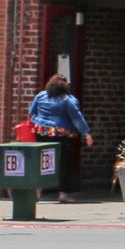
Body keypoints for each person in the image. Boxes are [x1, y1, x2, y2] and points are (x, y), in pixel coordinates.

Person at [28, 75, 93, 204]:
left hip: (41, 132)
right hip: (61, 134)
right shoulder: (68, 99)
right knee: (63, 163)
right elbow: (77, 118)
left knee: (42, 161)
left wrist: (40, 122)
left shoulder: (41, 96)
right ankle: (64, 194)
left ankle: (37, 189)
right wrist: (86, 133)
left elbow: (31, 113)